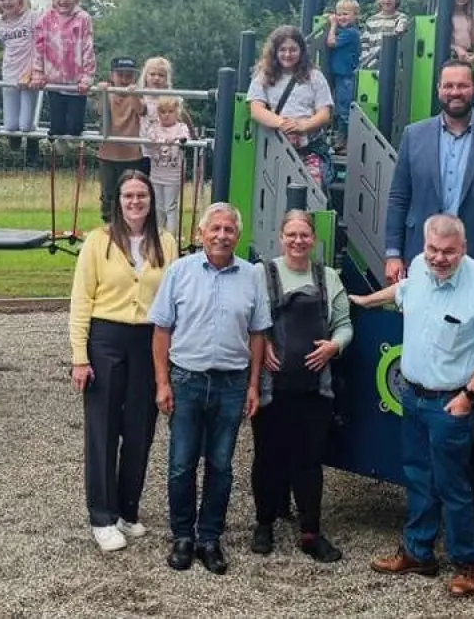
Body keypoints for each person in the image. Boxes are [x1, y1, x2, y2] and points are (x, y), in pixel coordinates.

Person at [354, 214, 474, 598]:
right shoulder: (420, 269)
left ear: (464, 249)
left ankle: (466, 563)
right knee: (418, 477)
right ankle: (418, 552)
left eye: (448, 252)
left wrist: (468, 396)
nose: (439, 258)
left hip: (450, 404)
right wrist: (365, 301)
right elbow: (403, 290)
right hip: (412, 396)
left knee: (452, 485)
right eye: (432, 250)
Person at [151, 203, 270, 576]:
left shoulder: (252, 276)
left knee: (220, 465)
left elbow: (258, 334)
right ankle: (182, 536)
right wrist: (162, 382)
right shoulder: (179, 272)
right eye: (215, 229)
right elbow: (161, 330)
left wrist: (254, 385)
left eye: (229, 230)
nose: (221, 235)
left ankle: (209, 538)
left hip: (232, 384)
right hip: (187, 379)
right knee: (181, 464)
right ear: (200, 233)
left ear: (238, 235)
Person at [69, 171, 179, 552]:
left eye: (141, 196)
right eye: (128, 196)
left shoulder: (165, 242)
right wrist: (79, 356)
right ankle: (102, 515)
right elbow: (81, 299)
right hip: (106, 338)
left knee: (140, 429)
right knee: (103, 429)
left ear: (151, 200)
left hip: (148, 340)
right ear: (118, 200)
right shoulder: (98, 241)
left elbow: (173, 298)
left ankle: (127, 509)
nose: (135, 202)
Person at [249, 210, 353, 564]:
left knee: (309, 460)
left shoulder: (329, 277)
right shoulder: (261, 274)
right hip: (271, 388)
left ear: (314, 238)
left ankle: (310, 532)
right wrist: (262, 346)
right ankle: (264, 524)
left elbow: (344, 324)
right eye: (291, 234)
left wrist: (334, 346)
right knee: (267, 456)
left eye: (304, 235)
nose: (298, 241)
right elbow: (248, 320)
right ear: (281, 237)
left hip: (315, 389)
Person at [383, 60, 474, 281]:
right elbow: (399, 197)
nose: (455, 92)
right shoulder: (413, 136)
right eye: (448, 85)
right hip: (422, 253)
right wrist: (393, 253)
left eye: (462, 85)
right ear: (438, 89)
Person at [247, 25, 333, 187]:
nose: (287, 54)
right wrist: (282, 123)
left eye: (293, 50)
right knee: (276, 191)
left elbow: (324, 113)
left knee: (311, 191)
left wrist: (302, 126)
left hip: (309, 149)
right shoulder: (264, 76)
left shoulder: (315, 77)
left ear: (301, 51)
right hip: (275, 148)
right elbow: (256, 109)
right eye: (283, 50)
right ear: (275, 51)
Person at [29, 0, 96, 148]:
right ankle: (57, 146)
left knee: (75, 129)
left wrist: (87, 77)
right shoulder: (45, 18)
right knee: (56, 128)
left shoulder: (83, 18)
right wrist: (38, 73)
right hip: (54, 81)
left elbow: (88, 48)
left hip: (76, 82)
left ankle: (74, 141)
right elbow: (39, 47)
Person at [0, 0, 41, 163]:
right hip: (9, 72)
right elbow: (8, 46)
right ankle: (15, 145)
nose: (7, 2)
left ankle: (33, 141)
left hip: (29, 74)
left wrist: (32, 71)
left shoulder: (32, 17)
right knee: (10, 126)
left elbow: (40, 46)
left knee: (25, 125)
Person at [96, 57, 148, 225]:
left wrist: (133, 95)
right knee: (108, 194)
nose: (125, 79)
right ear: (111, 76)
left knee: (131, 193)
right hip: (108, 154)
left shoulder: (136, 94)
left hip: (131, 156)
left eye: (129, 75)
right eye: (120, 75)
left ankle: (130, 226)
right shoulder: (108, 93)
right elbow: (100, 112)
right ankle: (109, 228)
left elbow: (141, 110)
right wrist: (103, 93)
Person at [144, 96, 191, 237]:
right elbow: (147, 143)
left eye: (170, 111)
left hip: (173, 175)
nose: (166, 115)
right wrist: (152, 140)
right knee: (158, 206)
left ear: (177, 112)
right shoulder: (154, 127)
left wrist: (176, 139)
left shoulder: (181, 127)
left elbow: (185, 139)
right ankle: (158, 235)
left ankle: (171, 237)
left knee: (170, 207)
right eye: (163, 112)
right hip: (156, 173)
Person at [324, 0, 362, 147]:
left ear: (355, 16)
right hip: (338, 76)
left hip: (346, 76)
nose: (341, 18)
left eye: (345, 14)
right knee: (336, 107)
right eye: (338, 14)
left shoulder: (351, 33)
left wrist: (332, 24)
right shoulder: (344, 31)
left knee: (344, 109)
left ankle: (345, 141)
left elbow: (331, 42)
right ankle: (338, 137)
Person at [360, 0, 412, 69]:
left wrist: (400, 28)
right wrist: (367, 60)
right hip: (372, 65)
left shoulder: (400, 17)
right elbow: (364, 44)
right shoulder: (371, 21)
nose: (387, 0)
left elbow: (402, 27)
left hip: (392, 65)